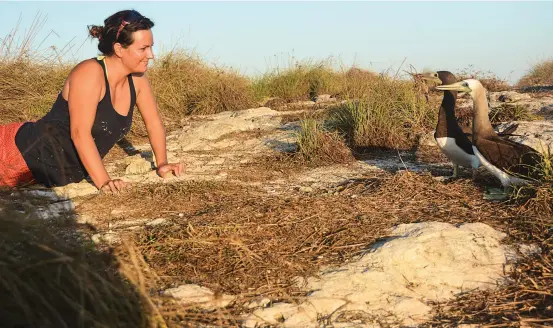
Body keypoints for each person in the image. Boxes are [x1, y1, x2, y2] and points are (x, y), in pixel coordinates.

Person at [0, 9, 183, 193]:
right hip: (18, 155)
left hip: (53, 175)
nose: (151, 55)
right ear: (119, 49)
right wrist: (104, 182)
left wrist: (162, 163)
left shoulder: (138, 80)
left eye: (151, 47)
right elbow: (80, 132)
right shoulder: (90, 73)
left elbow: (153, 123)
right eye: (143, 48)